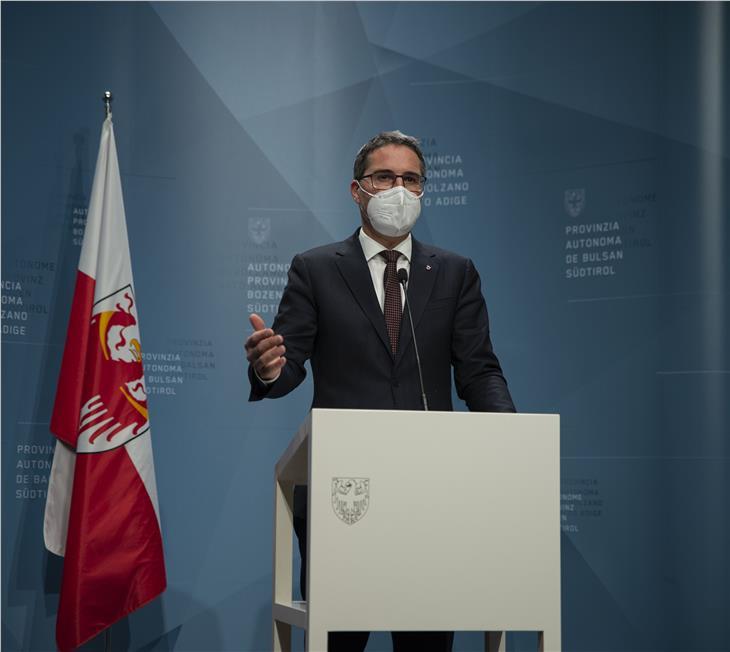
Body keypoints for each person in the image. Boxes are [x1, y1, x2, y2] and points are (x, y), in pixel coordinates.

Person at [245, 130, 515, 652]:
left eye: (411, 179)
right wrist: (269, 369)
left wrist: (511, 441)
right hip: (343, 496)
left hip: (432, 495)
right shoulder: (316, 268)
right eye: (384, 177)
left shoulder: (455, 273)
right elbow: (290, 368)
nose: (399, 189)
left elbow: (479, 372)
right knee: (340, 640)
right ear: (356, 190)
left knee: (427, 642)